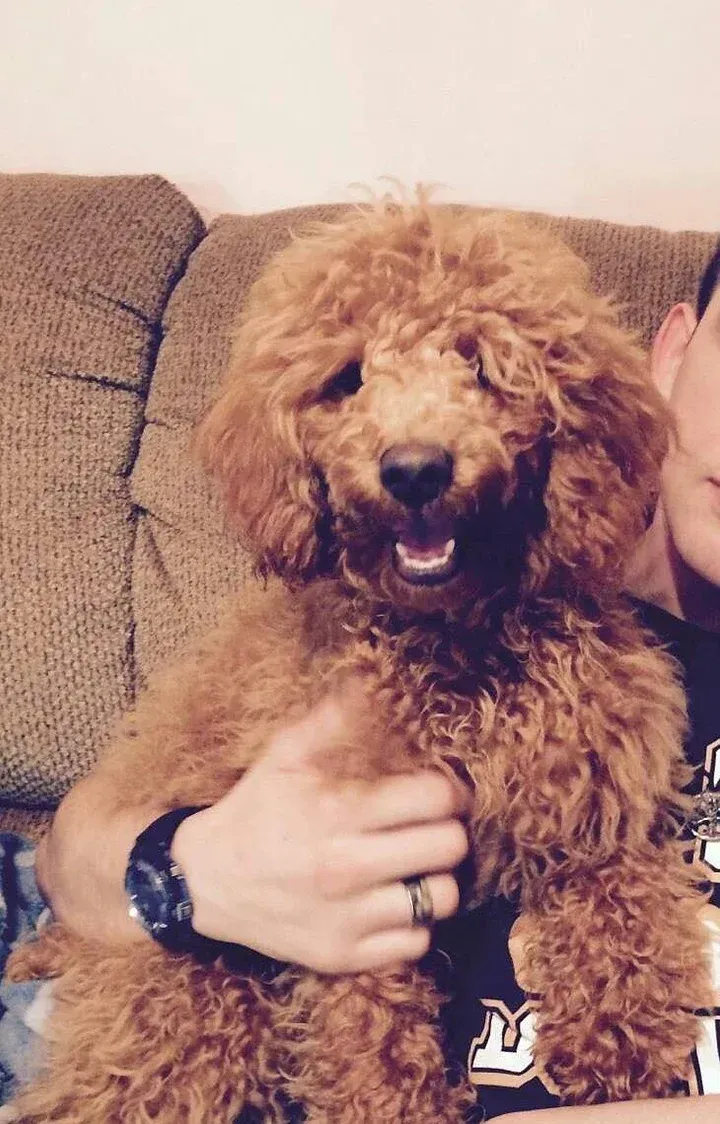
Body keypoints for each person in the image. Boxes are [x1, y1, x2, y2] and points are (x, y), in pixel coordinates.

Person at [2, 242, 720, 1121]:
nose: (416, 437)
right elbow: (68, 852)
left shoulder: (605, 682)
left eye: (482, 373)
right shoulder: (330, 643)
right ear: (674, 350)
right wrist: (194, 870)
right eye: (349, 381)